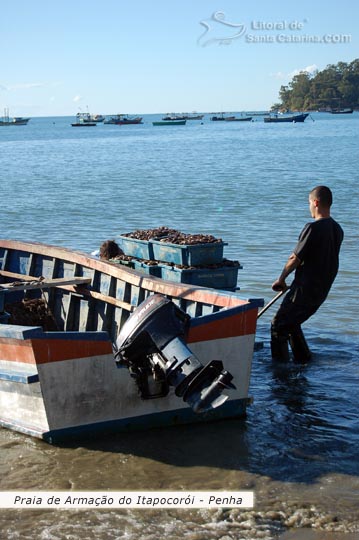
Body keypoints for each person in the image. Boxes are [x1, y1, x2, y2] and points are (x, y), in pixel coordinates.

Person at [271, 186, 343, 363]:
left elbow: (295, 258)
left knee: (278, 326)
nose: (309, 207)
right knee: (292, 323)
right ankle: (304, 361)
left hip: (304, 289)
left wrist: (281, 279)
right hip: (320, 291)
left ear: (316, 202)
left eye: (309, 203)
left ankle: (281, 373)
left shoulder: (313, 228)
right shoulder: (337, 229)